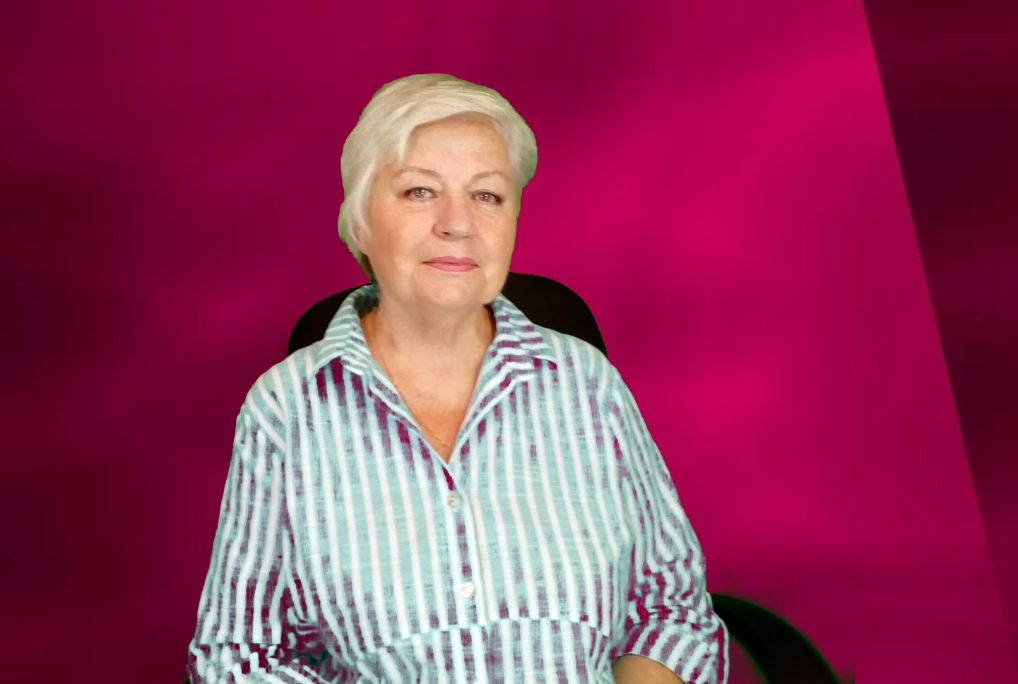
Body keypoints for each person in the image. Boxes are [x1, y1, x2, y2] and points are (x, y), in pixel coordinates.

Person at [186, 73, 729, 684]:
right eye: (420, 191)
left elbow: (672, 612)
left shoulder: (587, 383)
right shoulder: (285, 409)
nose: (457, 223)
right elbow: (238, 660)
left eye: (487, 195)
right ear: (360, 221)